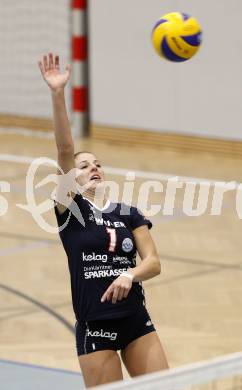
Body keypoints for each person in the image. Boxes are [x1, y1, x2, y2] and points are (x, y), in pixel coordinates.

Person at [38, 53, 169, 388]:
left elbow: (153, 263)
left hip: (135, 320)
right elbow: (65, 147)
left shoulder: (128, 212)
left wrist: (130, 273)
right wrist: (57, 94)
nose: (93, 168)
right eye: (84, 166)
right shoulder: (69, 210)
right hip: (96, 325)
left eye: (97, 164)